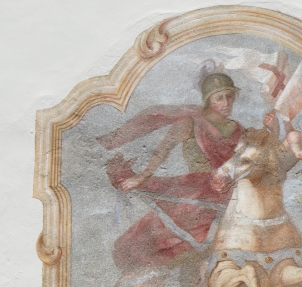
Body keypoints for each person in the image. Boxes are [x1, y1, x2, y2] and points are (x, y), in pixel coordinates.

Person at [96, 73, 244, 273]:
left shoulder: (239, 130)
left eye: (230, 97)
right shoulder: (190, 123)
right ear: (208, 100)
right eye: (219, 98)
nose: (226, 103)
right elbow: (163, 150)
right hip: (199, 189)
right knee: (155, 237)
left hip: (232, 190)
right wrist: (142, 177)